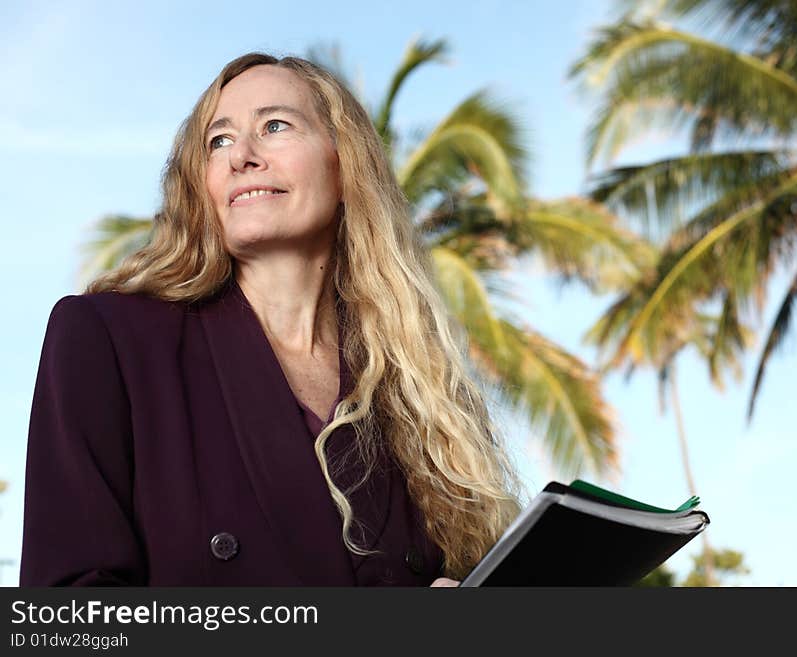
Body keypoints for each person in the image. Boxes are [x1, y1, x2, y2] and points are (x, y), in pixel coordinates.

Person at [19, 52, 523, 587]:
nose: (241, 157)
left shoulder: (417, 389)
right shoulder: (108, 338)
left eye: (275, 125)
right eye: (219, 141)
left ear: (343, 162)